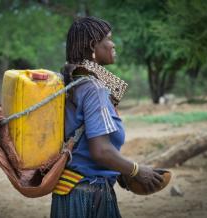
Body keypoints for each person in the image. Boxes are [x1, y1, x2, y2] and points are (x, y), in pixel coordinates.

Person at [50, 17, 163, 218]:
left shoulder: (71, 85)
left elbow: (80, 144)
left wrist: (119, 170)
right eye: (109, 39)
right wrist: (136, 170)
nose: (113, 44)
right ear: (94, 45)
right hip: (89, 195)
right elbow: (100, 151)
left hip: (68, 193)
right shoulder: (93, 89)